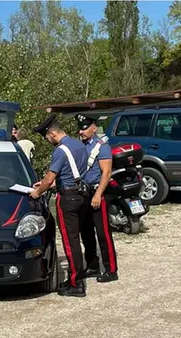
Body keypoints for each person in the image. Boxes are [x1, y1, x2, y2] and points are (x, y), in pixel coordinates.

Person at [30, 113, 91, 297]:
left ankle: (75, 282)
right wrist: (48, 183)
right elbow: (73, 174)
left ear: (52, 134)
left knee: (69, 241)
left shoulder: (60, 150)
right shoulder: (79, 145)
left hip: (68, 198)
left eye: (47, 138)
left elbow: (50, 178)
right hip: (82, 195)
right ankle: (78, 276)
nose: (48, 141)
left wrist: (37, 192)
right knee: (77, 238)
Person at [76, 114, 119, 283]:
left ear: (94, 127)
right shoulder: (81, 146)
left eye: (85, 128)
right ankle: (92, 265)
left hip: (97, 193)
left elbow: (106, 173)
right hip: (84, 194)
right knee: (86, 232)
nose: (82, 131)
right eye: (80, 128)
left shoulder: (102, 147)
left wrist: (98, 194)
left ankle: (111, 269)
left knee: (103, 234)